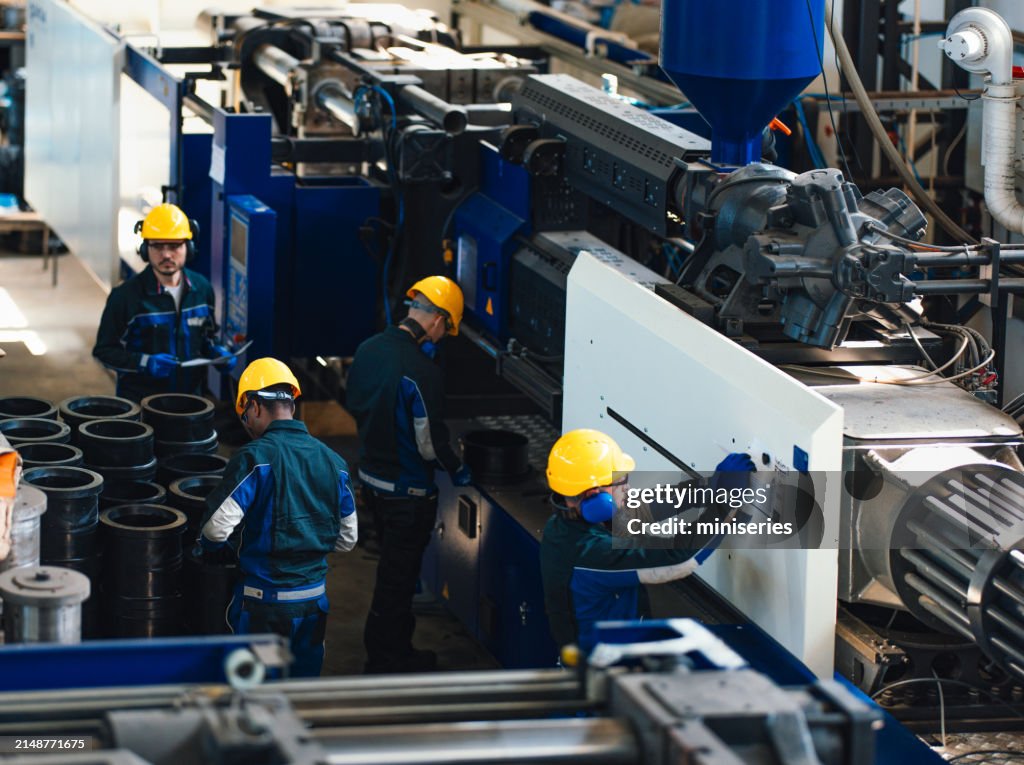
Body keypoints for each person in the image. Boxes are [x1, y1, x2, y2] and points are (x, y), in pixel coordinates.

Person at [197, 358, 358, 677]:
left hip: (265, 608)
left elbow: (215, 530)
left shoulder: (255, 458)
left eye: (244, 415)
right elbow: (347, 539)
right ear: (291, 406)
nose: (246, 424)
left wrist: (216, 552)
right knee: (301, 688)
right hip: (314, 603)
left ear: (254, 406)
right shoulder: (334, 462)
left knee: (259, 693)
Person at [346, 275, 472, 674]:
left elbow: (357, 404)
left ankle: (395, 649)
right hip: (407, 494)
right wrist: (459, 467)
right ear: (438, 322)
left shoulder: (367, 350)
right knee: (396, 582)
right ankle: (385, 659)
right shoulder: (421, 371)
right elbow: (429, 444)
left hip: (372, 484)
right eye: (447, 329)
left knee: (391, 571)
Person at [539, 428, 755, 654]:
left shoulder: (565, 524)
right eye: (622, 481)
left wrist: (709, 488)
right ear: (596, 492)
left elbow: (642, 509)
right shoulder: (591, 553)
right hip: (605, 670)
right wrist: (725, 504)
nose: (628, 488)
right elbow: (678, 559)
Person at [93, 203, 236, 402]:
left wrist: (216, 351)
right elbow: (104, 351)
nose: (167, 254)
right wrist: (144, 362)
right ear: (144, 249)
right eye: (158, 246)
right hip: (142, 407)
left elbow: (207, 336)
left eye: (175, 246)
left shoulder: (202, 289)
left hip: (190, 405)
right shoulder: (125, 297)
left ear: (189, 247)